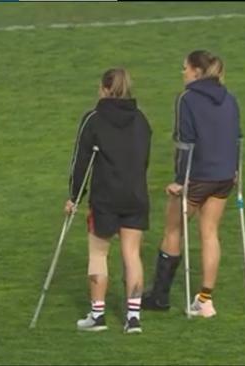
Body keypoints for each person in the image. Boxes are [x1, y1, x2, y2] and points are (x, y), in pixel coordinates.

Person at [142, 50, 241, 318]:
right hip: (224, 177)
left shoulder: (187, 99)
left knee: (173, 230)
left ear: (197, 71)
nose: (182, 72)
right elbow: (237, 138)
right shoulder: (230, 99)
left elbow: (185, 143)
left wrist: (178, 181)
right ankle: (205, 300)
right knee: (209, 232)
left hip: (196, 177)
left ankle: (159, 297)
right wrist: (234, 171)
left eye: (184, 67)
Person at [67, 68, 152, 334]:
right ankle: (133, 318)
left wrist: (74, 197)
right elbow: (144, 159)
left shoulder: (93, 119)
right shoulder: (140, 119)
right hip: (135, 195)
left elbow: (80, 163)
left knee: (98, 253)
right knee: (132, 254)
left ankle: (98, 314)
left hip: (105, 197)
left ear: (104, 88)